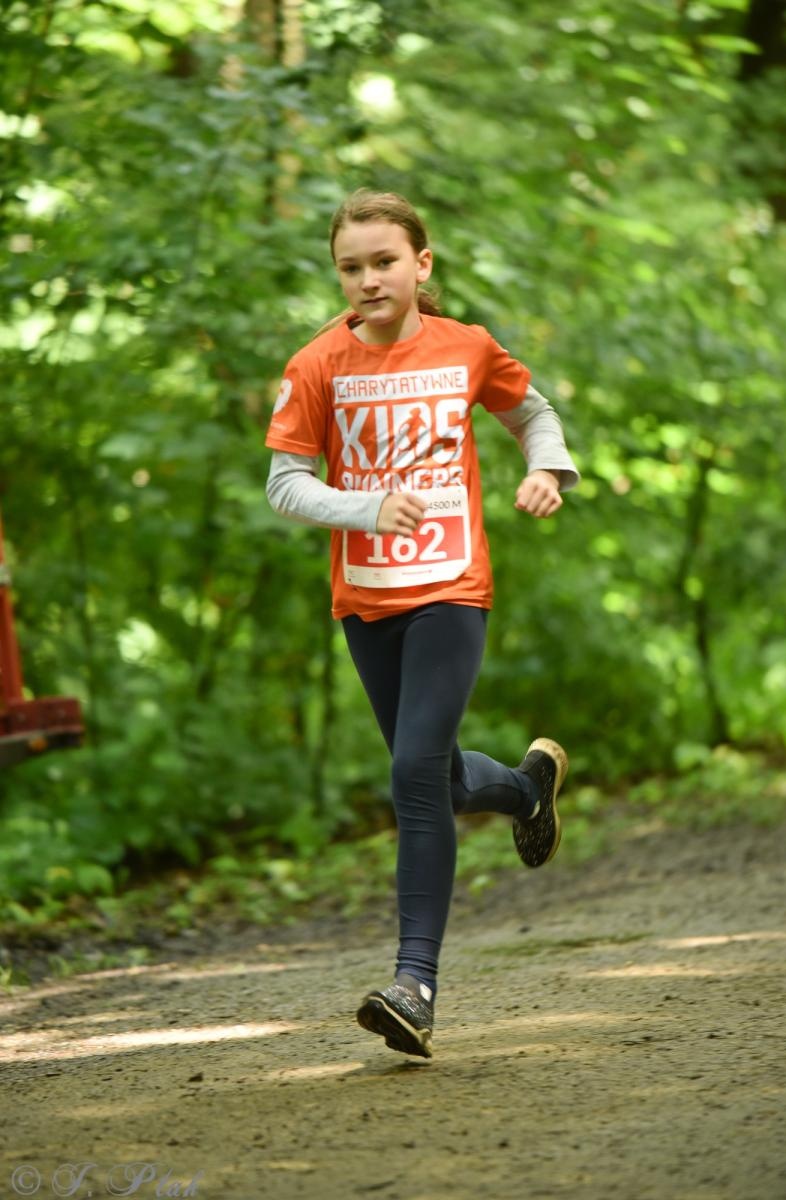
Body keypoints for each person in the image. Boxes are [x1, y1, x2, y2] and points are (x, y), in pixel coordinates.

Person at [265, 188, 579, 1060]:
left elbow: (532, 412)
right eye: (351, 267)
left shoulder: (464, 347)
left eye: (383, 262)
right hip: (366, 599)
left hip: (450, 586)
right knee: (433, 776)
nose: (368, 279)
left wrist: (546, 470)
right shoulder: (317, 365)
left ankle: (414, 985)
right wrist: (364, 507)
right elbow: (285, 485)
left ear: (420, 263)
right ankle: (523, 790)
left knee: (411, 774)